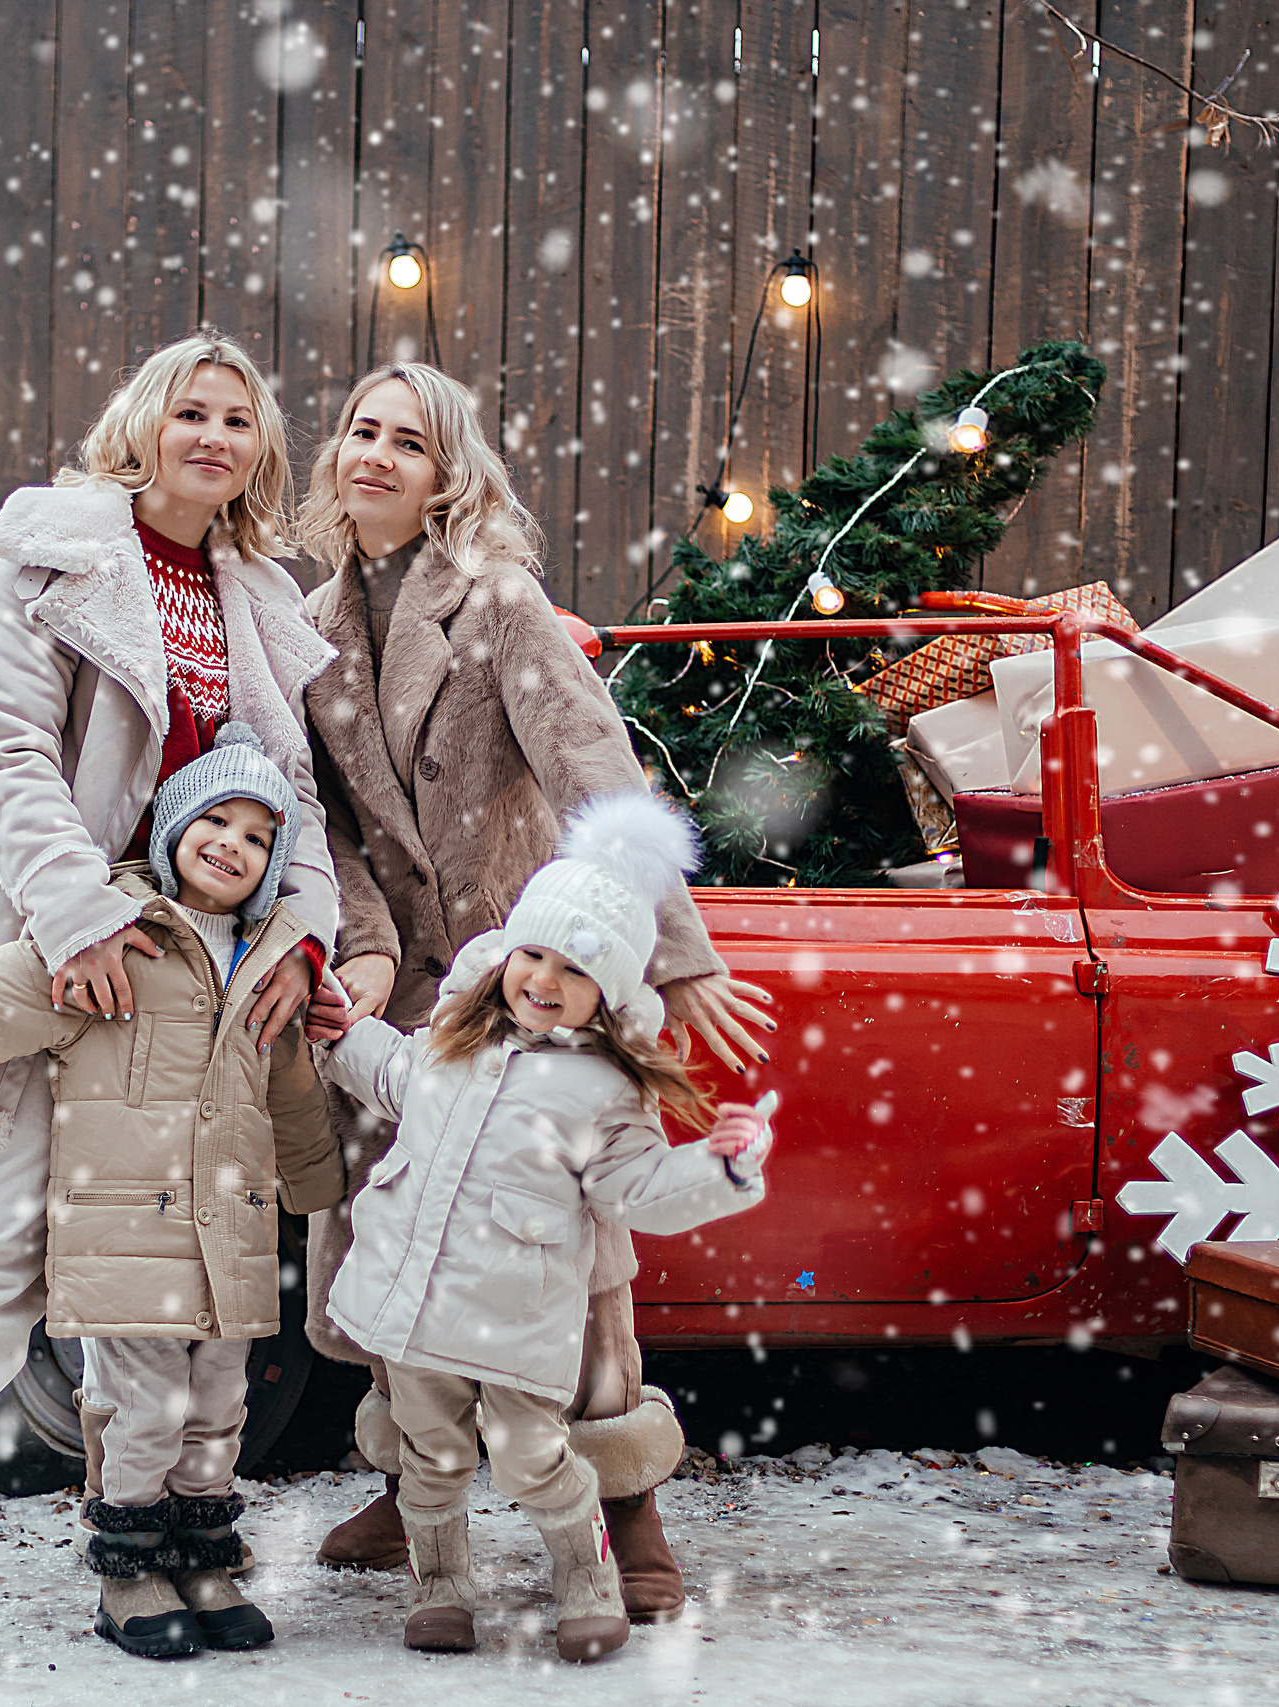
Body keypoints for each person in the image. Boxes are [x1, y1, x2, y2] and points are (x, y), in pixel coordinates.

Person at [0, 332, 338, 1694]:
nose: (216, 435)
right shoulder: (50, 559)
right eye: (194, 408)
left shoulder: (257, 593)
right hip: (62, 949)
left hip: (193, 984)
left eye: (240, 418)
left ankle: (145, 1546)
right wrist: (82, 913)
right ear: (147, 421)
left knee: (162, 1262)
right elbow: (1, 751)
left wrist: (303, 934)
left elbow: (288, 790)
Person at [293, 362, 774, 1615]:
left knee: (575, 1247)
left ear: (449, 472)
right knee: (403, 1226)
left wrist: (673, 951)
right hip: (409, 988)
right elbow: (325, 823)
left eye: (409, 440)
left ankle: (626, 1507)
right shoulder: (308, 624)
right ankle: (413, 1488)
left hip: (534, 967)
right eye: (360, 432)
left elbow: (592, 766)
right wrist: (359, 950)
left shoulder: (500, 603)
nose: (377, 456)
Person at [0, 727, 343, 1663]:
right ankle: (128, 1567)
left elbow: (289, 1087)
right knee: (145, 1409)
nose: (232, 845)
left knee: (219, 1407)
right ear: (169, 825)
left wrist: (318, 1184)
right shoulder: (113, 941)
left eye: (257, 837)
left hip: (230, 1244)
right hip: (127, 1244)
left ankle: (203, 1557)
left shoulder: (267, 965)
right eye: (214, 818)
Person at [308, 792, 774, 1663]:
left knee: (532, 1458)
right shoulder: (453, 1037)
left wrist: (719, 1168)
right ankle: (442, 1588)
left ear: (610, 992)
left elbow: (637, 1187)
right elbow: (392, 1069)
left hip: (516, 1319)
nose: (544, 979)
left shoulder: (603, 1089)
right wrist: (337, 1034)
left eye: (575, 968)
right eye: (533, 952)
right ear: (505, 951)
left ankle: (587, 1577)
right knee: (430, 1459)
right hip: (411, 1312)